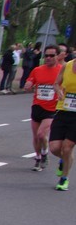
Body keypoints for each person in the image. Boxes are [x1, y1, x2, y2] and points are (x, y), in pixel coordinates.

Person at [23, 44, 61, 171]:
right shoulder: (37, 70)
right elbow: (30, 81)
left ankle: (45, 153)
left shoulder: (61, 71)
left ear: (57, 56)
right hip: (37, 106)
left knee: (41, 134)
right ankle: (38, 158)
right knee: (36, 136)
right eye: (46, 55)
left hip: (52, 109)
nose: (48, 58)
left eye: (52, 55)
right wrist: (28, 84)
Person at [50, 50, 76, 190]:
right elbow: (56, 83)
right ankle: (64, 160)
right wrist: (58, 91)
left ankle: (64, 179)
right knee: (54, 148)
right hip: (63, 110)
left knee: (67, 148)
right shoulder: (67, 66)